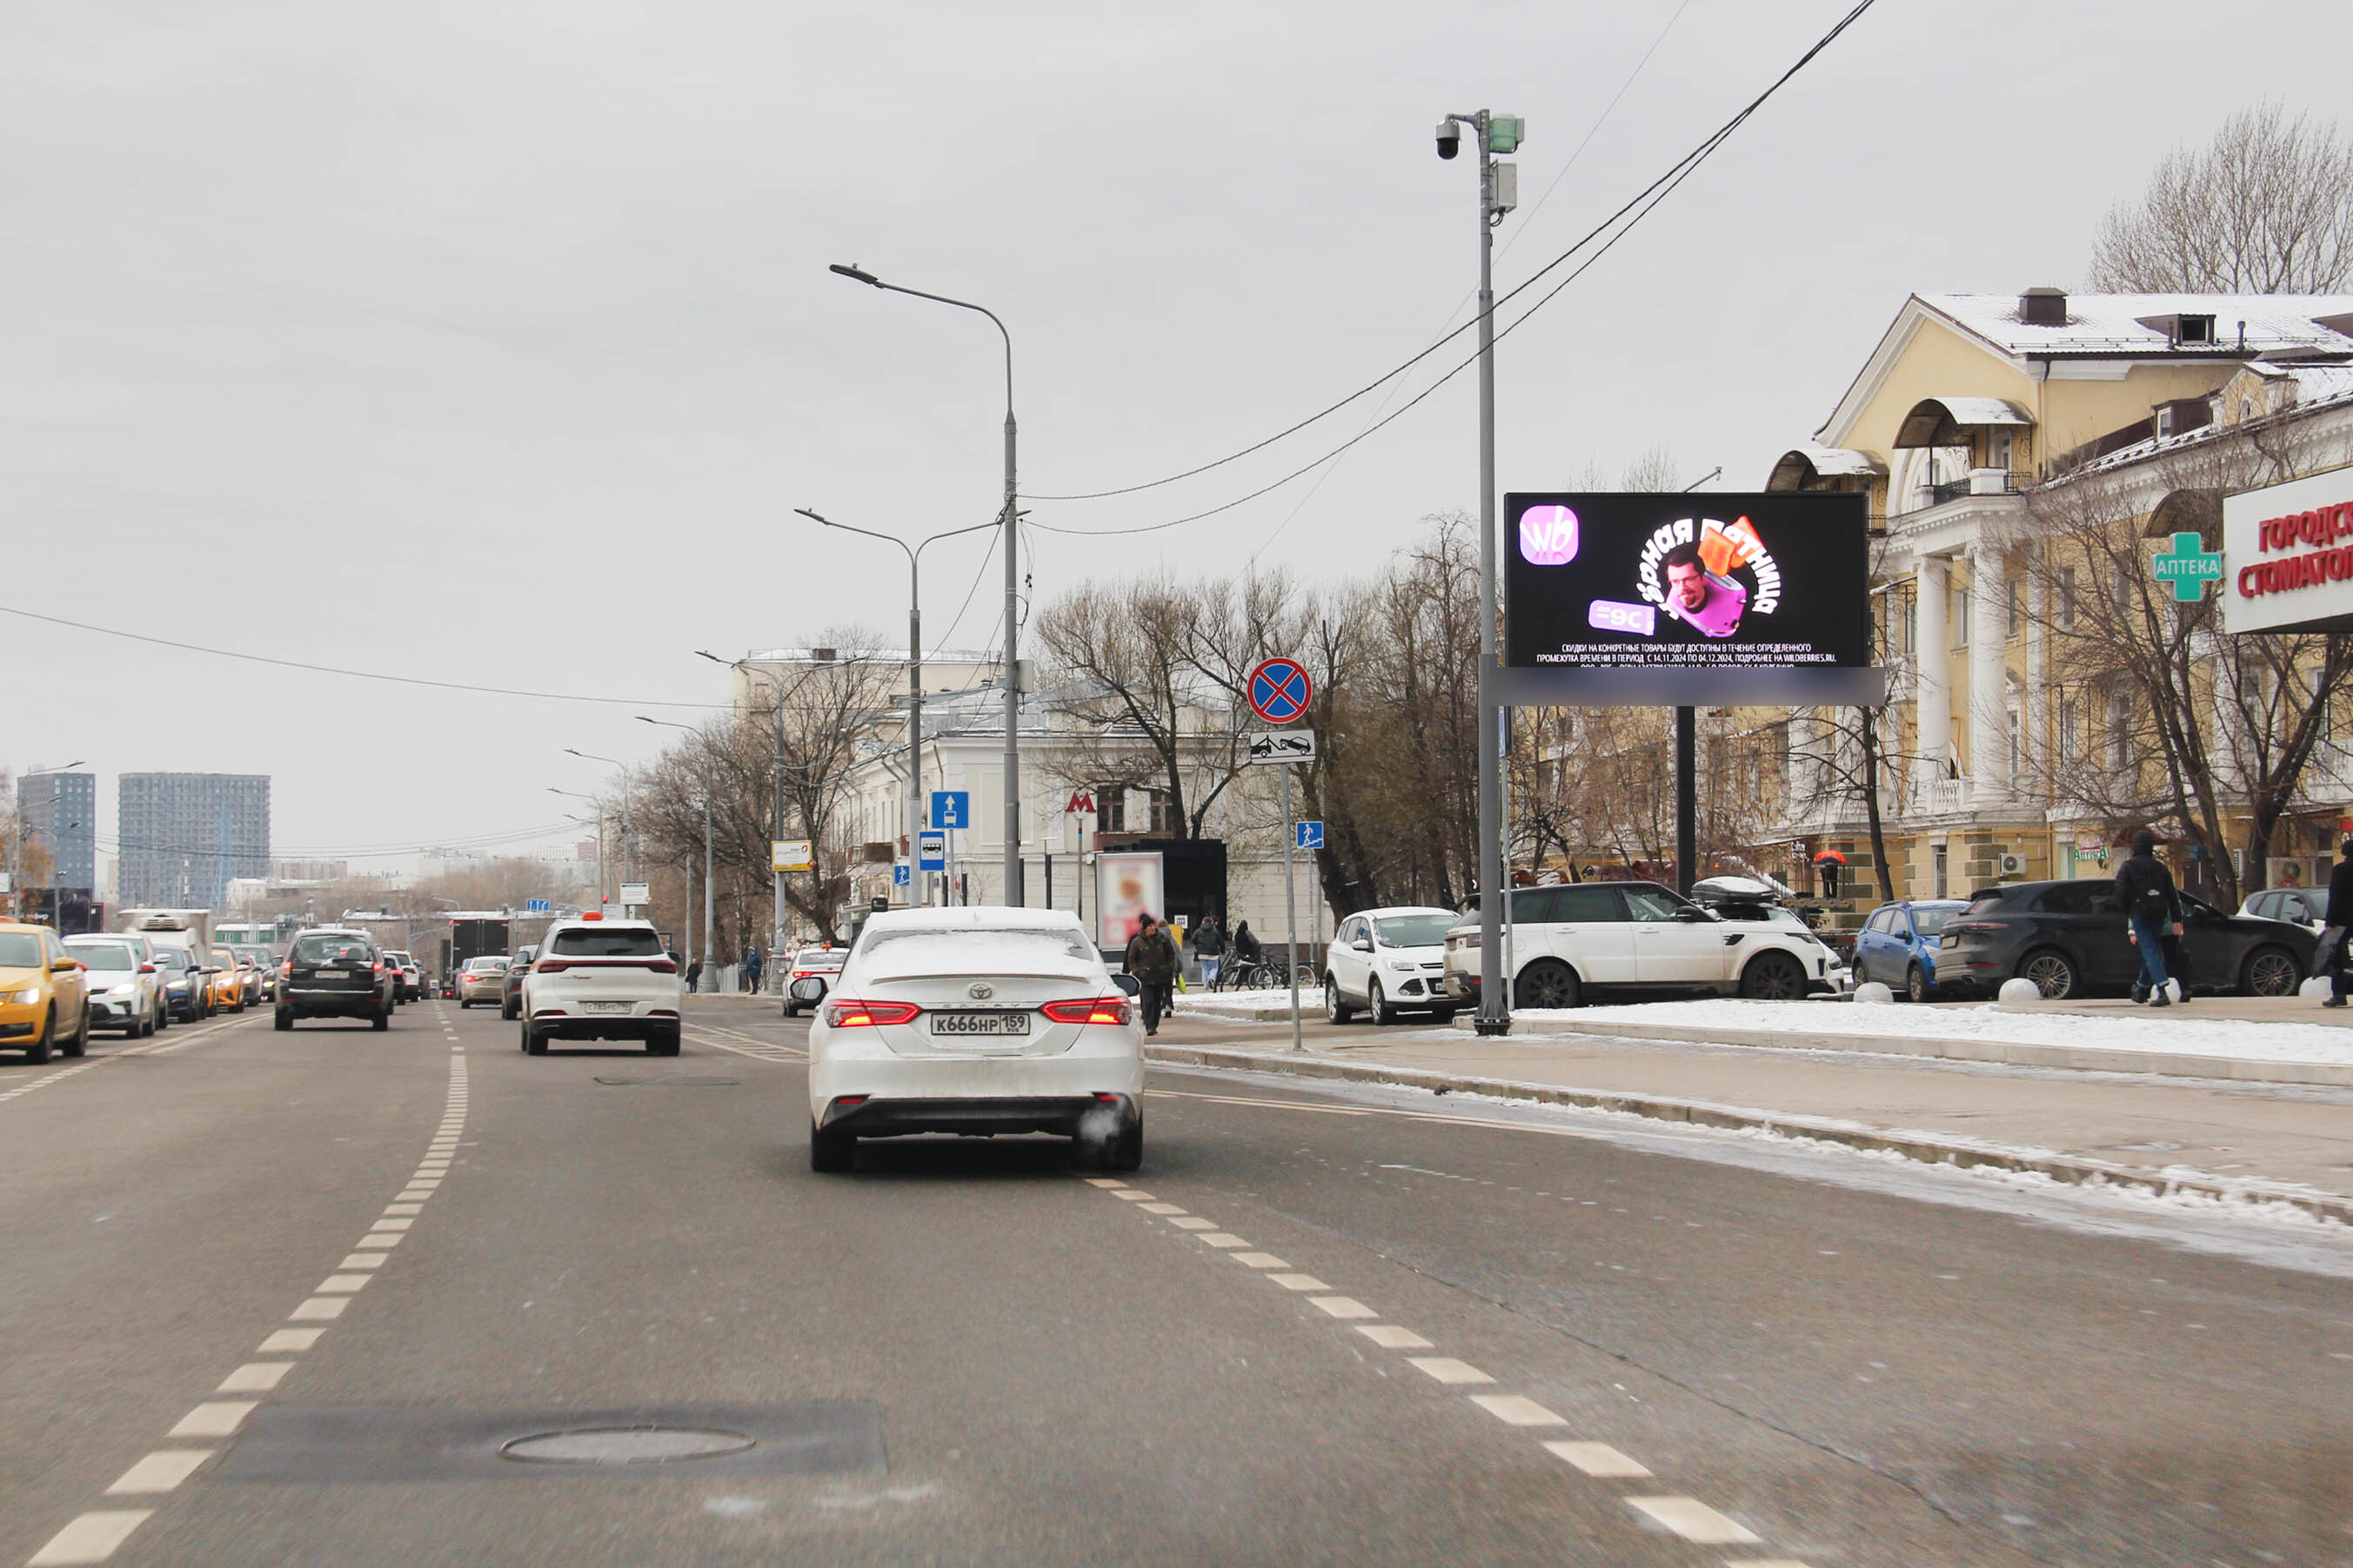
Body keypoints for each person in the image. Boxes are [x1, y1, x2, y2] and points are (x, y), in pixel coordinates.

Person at [2114, 829, 2183, 1007]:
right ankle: (2141, 987)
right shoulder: (2160, 867)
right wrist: (2177, 919)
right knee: (2150, 950)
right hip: (2159, 914)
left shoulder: (2128, 867)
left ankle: (2161, 989)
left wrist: (2127, 909)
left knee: (2150, 951)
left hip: (2140, 914)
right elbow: (2172, 894)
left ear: (2135, 847)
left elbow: (2120, 892)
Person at [1660, 539, 1748, 638]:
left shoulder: (1729, 598)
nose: (1682, 588)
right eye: (1675, 581)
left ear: (1703, 579)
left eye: (1689, 580)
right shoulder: (1671, 604)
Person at [1122, 913, 1180, 1037]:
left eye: (1153, 925)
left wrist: (1169, 968)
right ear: (1145, 928)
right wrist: (1137, 971)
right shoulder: (1137, 941)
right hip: (1145, 978)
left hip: (1160, 976)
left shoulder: (1163, 939)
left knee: (1157, 1002)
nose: (1152, 928)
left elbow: (1171, 954)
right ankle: (1149, 1025)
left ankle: (1154, 1023)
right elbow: (1131, 958)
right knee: (1148, 1002)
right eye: (1149, 926)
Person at [2323, 837, 2353, 1008]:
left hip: (2343, 921)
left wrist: (2330, 921)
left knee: (2337, 957)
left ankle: (2339, 995)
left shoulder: (2340, 870)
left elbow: (2335, 897)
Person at [1191, 912, 1227, 990]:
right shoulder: (1215, 931)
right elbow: (1221, 942)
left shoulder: (1199, 931)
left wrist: (1198, 945)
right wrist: (1223, 951)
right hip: (1213, 954)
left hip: (1202, 954)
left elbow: (1193, 939)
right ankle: (1212, 978)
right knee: (1214, 967)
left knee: (1205, 968)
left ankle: (1206, 986)